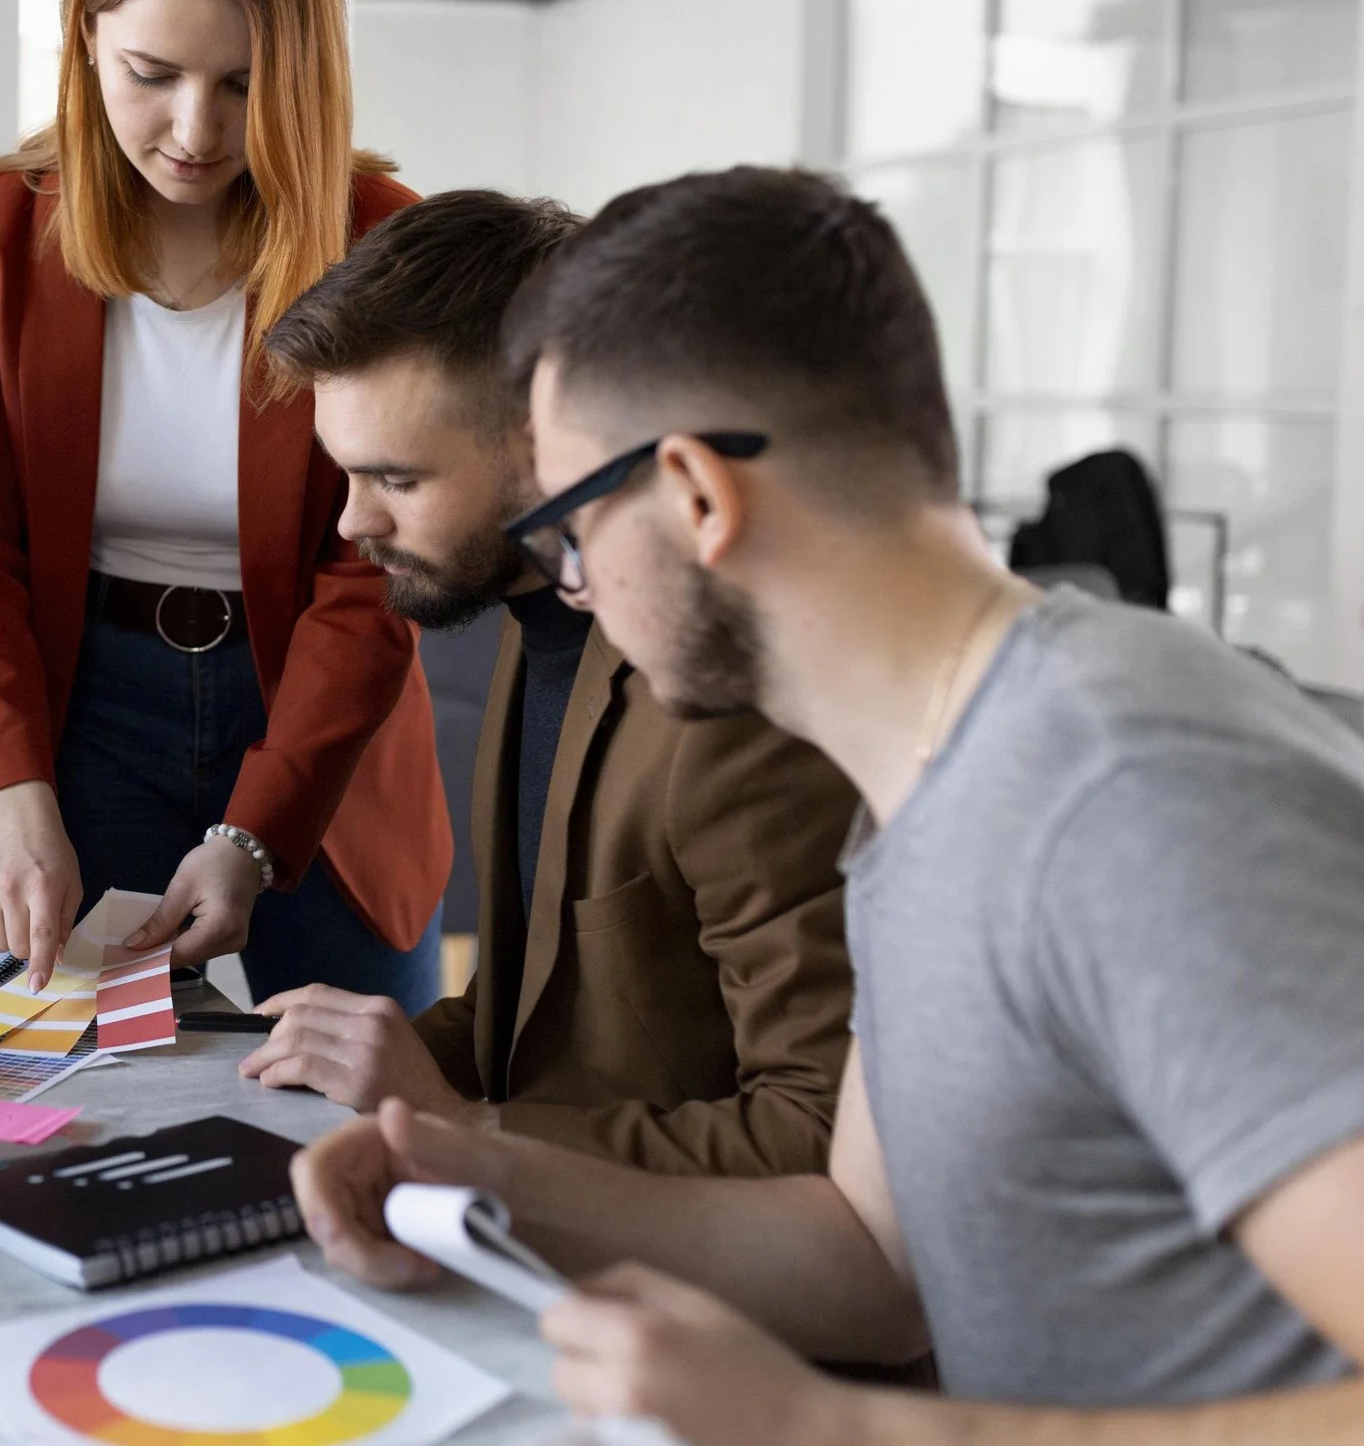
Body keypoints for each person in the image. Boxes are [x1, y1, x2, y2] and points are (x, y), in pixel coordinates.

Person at [291, 168, 1364, 1443]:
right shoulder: (917, 779)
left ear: (695, 496)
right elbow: (867, 1254)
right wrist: (480, 1167)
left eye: (574, 527)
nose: (570, 584)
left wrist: (828, 1426)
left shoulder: (1125, 795)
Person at [0, 0, 449, 1010]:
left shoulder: (383, 238)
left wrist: (257, 831)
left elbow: (373, 570)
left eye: (244, 83)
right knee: (86, 1115)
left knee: (371, 1104)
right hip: (80, 719)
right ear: (83, 40)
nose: (195, 129)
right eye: (151, 72)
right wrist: (10, 794)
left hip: (325, 734)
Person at [242, 190, 858, 1175]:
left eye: (396, 479)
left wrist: (460, 1128)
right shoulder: (537, 624)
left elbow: (819, 1139)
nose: (352, 523)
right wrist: (363, 1056)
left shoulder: (723, 705)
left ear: (545, 441)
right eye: (343, 475)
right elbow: (535, 1010)